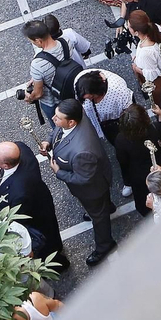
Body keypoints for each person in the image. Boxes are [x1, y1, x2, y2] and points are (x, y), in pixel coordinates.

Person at [44, 97, 115, 264]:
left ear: (71, 123)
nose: (54, 119)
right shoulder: (75, 117)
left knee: (99, 217)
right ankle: (108, 206)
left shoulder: (83, 151)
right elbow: (58, 131)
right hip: (96, 178)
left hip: (92, 189)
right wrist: (49, 141)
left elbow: (82, 178)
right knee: (102, 206)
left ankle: (105, 245)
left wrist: (59, 172)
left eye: (58, 118)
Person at [0, 139, 66, 267]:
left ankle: (57, 264)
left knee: (47, 243)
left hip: (35, 216)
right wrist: (0, 173)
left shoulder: (19, 192)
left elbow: (20, 218)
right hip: (40, 197)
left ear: (6, 165)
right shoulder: (21, 147)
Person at [128, 10, 161, 94]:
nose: (127, 27)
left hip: (158, 81)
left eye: (129, 26)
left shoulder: (146, 52)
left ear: (136, 32)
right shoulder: (156, 28)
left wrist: (136, 68)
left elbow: (153, 75)